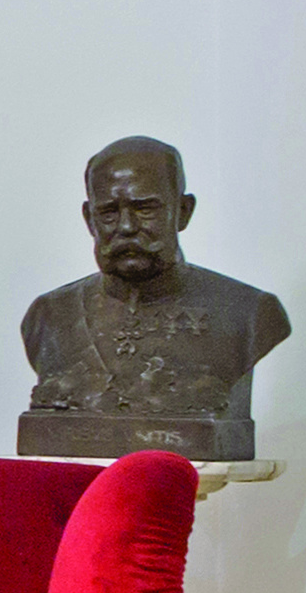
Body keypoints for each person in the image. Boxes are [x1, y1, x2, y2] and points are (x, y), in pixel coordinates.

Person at [15, 135, 289, 460]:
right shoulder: (48, 316)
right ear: (89, 219)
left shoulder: (249, 313)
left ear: (183, 212)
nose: (127, 227)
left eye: (145, 209)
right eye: (109, 213)